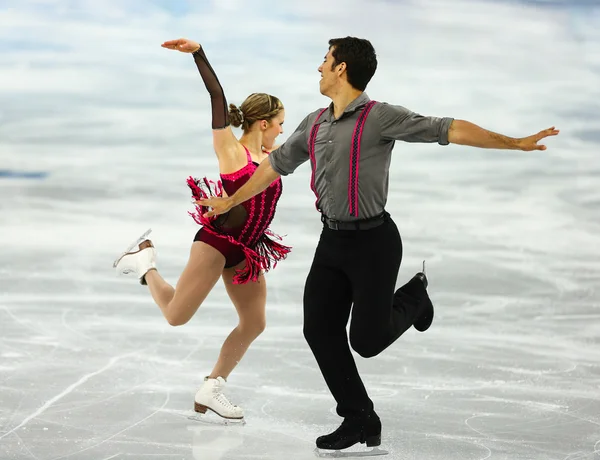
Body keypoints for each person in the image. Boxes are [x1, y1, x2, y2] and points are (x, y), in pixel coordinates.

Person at [196, 36, 559, 451]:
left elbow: (448, 129)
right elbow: (275, 167)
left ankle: (415, 298)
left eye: (325, 59)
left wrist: (515, 142)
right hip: (331, 241)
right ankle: (360, 417)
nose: (319, 67)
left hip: (374, 243)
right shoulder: (314, 123)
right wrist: (231, 199)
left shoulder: (380, 118)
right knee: (319, 329)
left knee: (366, 343)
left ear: (342, 69)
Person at [113, 37, 291, 421]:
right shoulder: (231, 150)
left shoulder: (273, 157)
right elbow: (216, 95)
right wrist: (198, 54)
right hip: (217, 243)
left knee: (255, 322)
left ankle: (212, 387)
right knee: (177, 316)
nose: (281, 131)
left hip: (248, 250)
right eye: (279, 124)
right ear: (264, 123)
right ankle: (145, 263)